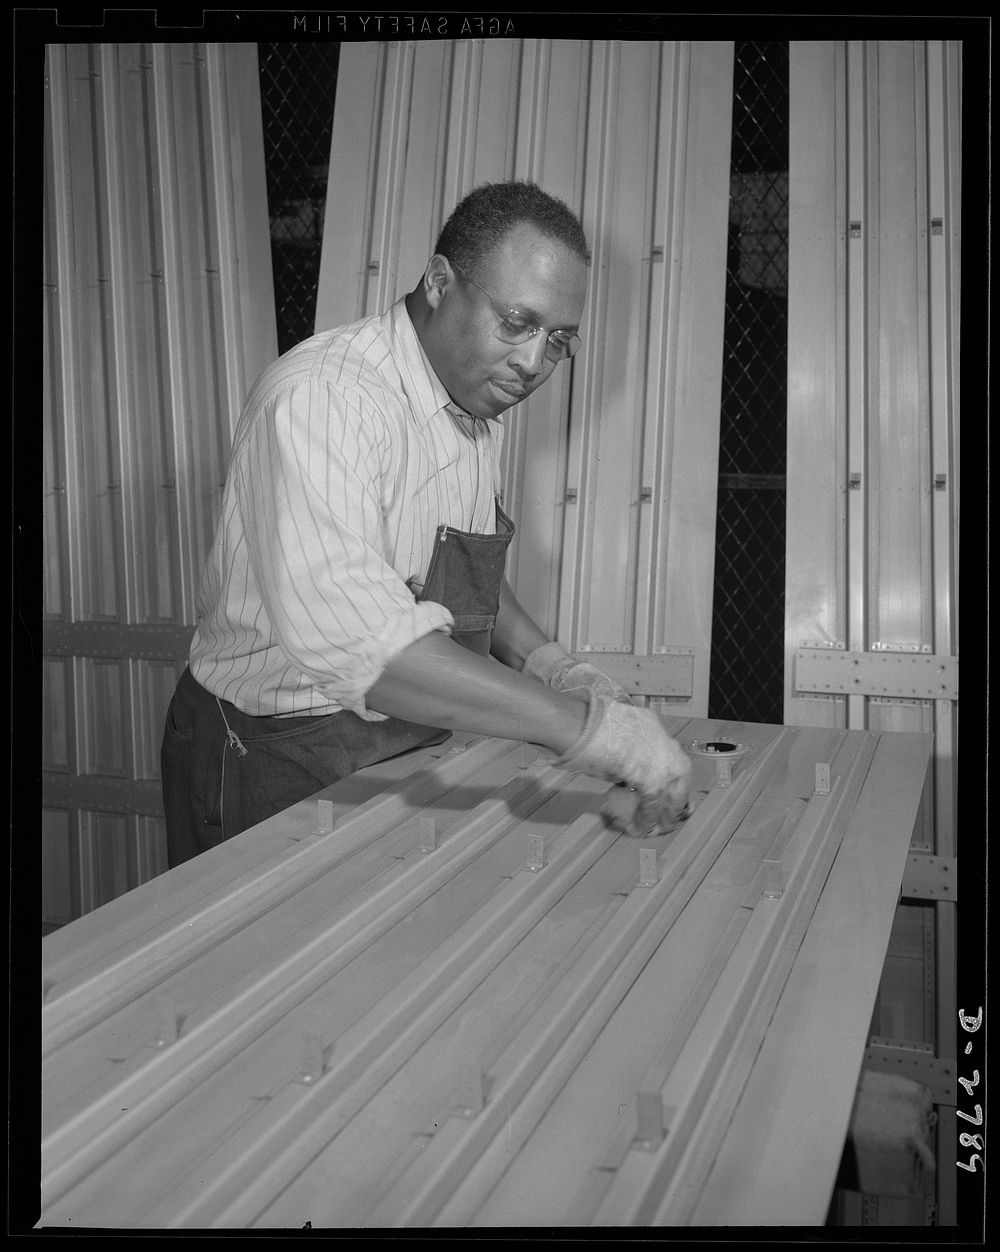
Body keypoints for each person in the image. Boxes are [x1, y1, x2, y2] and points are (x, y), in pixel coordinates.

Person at [161, 180, 691, 867]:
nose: (533, 363)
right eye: (516, 323)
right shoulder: (325, 400)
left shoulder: (467, 407)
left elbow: (459, 571)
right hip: (274, 747)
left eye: (558, 339)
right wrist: (590, 732)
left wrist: (554, 666)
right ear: (440, 281)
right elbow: (368, 647)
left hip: (397, 736)